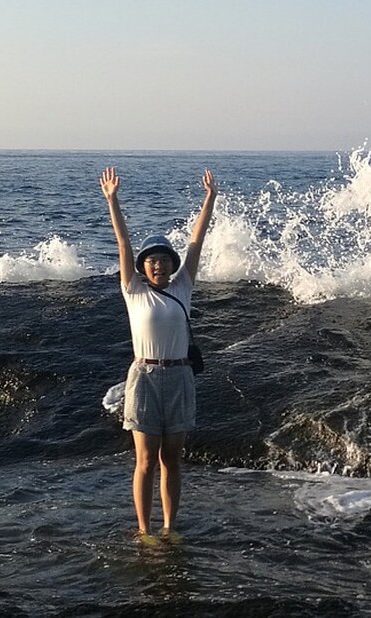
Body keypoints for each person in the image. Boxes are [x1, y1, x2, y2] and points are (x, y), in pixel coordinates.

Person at [100, 166, 216, 544]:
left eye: (164, 259)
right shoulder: (132, 290)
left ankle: (169, 527)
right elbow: (123, 243)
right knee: (146, 461)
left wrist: (209, 200)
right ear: (143, 266)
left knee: (172, 461)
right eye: (152, 260)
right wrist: (112, 201)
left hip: (180, 377)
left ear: (171, 264)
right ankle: (144, 531)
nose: (158, 264)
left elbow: (196, 244)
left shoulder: (183, 287)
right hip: (145, 378)